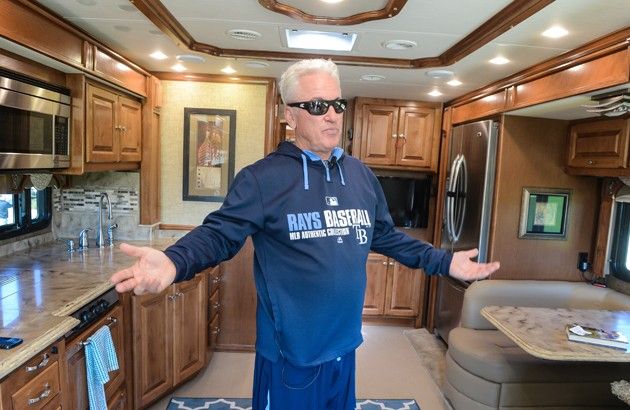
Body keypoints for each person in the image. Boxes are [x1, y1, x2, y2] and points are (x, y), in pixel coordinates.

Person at [110, 59, 500, 410]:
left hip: (344, 346)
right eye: (316, 105)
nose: (332, 116)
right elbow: (220, 234)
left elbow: (385, 236)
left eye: (337, 104)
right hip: (290, 355)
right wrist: (174, 260)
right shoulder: (263, 179)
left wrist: (445, 261)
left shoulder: (361, 176)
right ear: (290, 116)